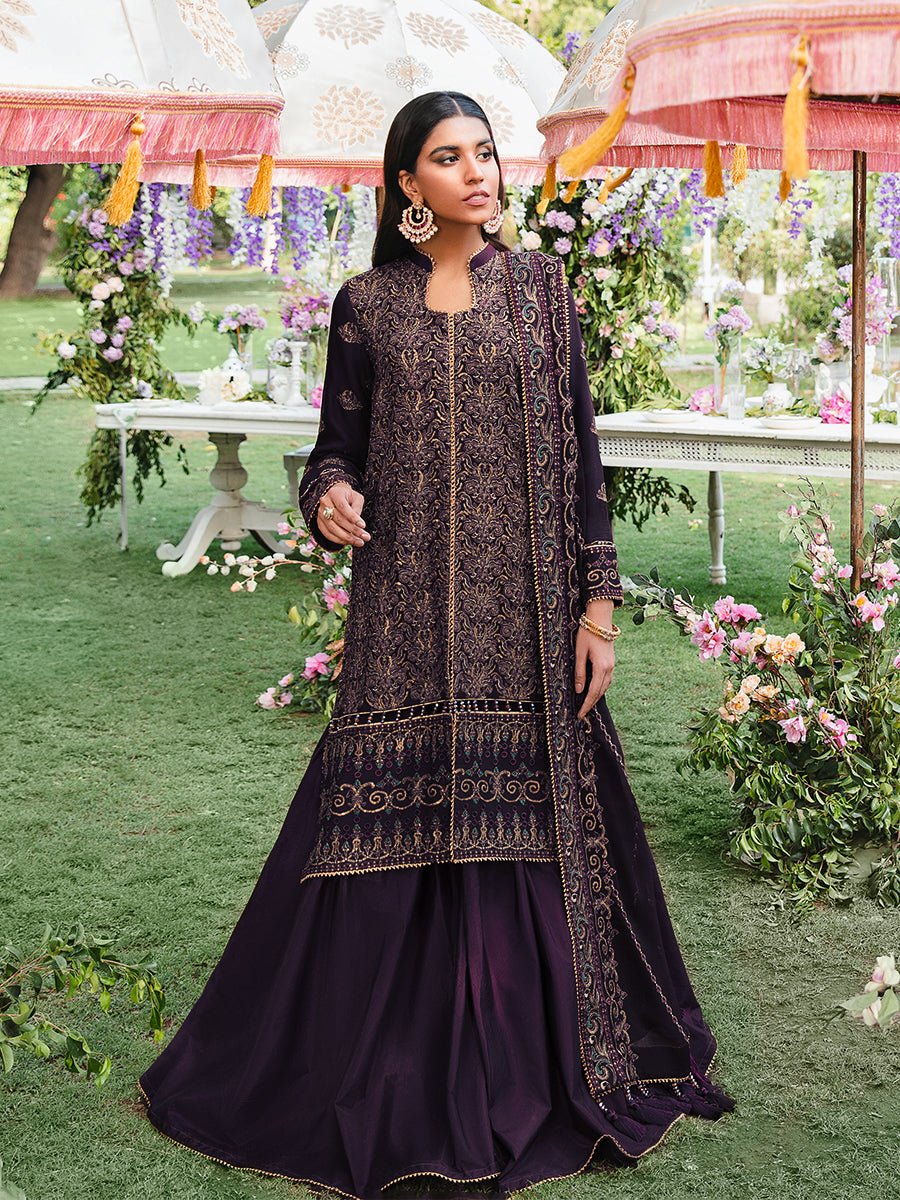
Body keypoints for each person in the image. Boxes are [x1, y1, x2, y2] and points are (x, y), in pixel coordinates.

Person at [137, 91, 735, 1199]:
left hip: (529, 615)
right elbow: (335, 448)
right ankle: (373, 1055)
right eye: (448, 158)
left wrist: (597, 609)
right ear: (408, 184)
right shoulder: (367, 305)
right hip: (404, 613)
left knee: (534, 821)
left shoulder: (542, 292)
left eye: (485, 153)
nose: (476, 172)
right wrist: (329, 498)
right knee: (380, 816)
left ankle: (533, 1058)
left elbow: (585, 460)